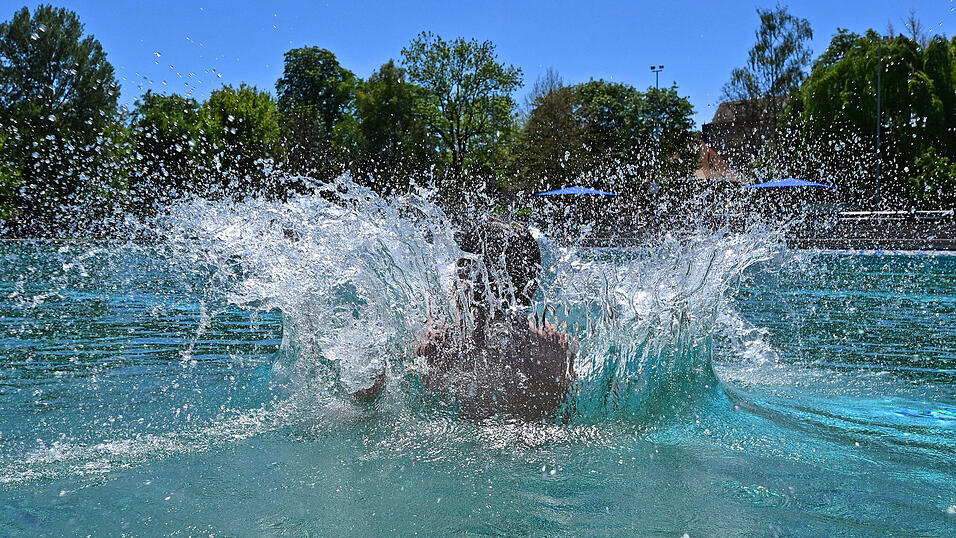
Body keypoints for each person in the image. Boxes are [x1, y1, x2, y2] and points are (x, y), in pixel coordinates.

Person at [353, 218, 575, 421]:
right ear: (533, 281)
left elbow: (368, 400)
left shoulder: (438, 345)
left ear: (465, 276)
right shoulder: (554, 346)